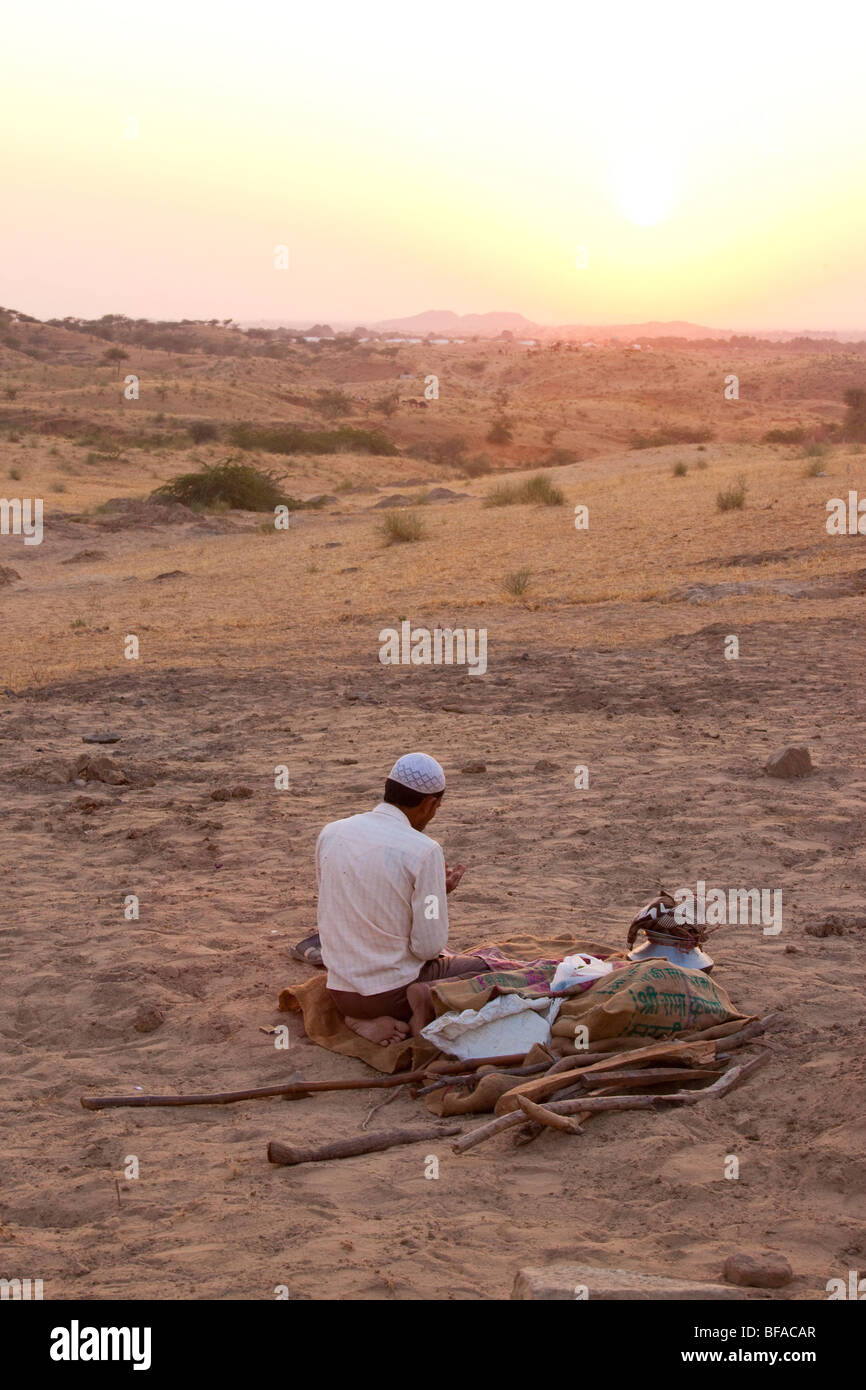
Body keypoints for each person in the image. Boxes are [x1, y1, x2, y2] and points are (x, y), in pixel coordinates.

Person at [316, 753, 483, 1045]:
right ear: (430, 803)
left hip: (342, 993)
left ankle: (358, 1022)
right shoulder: (424, 849)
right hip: (393, 996)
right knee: (485, 969)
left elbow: (352, 896)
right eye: (436, 808)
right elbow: (428, 947)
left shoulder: (331, 833)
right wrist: (436, 899)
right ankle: (423, 1002)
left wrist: (431, 892)